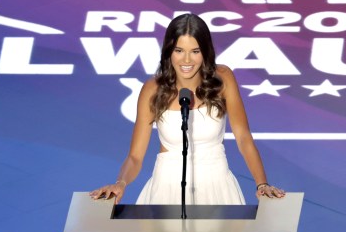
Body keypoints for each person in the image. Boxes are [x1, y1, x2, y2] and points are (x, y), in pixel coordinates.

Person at [90, 13, 285, 205]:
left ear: (205, 52)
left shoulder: (223, 79)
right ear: (168, 51)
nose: (186, 60)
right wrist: (120, 183)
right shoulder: (152, 90)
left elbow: (243, 137)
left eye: (195, 51)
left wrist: (262, 184)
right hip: (167, 189)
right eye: (179, 50)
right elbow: (135, 156)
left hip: (217, 187)